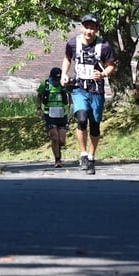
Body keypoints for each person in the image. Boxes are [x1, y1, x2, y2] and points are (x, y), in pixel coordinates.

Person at [61, 14, 115, 175]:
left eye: (92, 28)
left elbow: (111, 65)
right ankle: (83, 154)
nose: (89, 31)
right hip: (79, 88)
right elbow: (67, 59)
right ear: (81, 27)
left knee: (95, 125)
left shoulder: (104, 46)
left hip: (96, 90)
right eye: (87, 27)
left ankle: (92, 157)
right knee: (82, 118)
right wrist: (64, 74)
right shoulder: (73, 43)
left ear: (97, 29)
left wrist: (103, 74)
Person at [36, 67, 71, 168]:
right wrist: (39, 108)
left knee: (62, 140)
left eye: (57, 80)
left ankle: (58, 149)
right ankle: (57, 159)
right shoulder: (45, 84)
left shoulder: (64, 85)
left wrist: (71, 107)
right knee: (54, 137)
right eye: (54, 80)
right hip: (49, 113)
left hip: (62, 114)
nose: (56, 82)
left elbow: (70, 95)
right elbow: (39, 95)